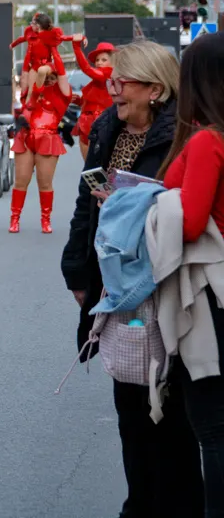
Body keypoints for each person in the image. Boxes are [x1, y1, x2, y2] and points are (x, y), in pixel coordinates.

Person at [60, 40, 198, 517]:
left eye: (122, 81)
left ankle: (175, 504)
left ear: (156, 89)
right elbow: (85, 203)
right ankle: (139, 502)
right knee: (131, 400)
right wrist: (77, 271)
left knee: (173, 408)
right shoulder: (106, 127)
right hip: (117, 288)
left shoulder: (186, 132)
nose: (111, 88)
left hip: (171, 285)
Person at [157, 33, 224, 516]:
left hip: (210, 297)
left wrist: (143, 203)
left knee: (213, 428)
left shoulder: (207, 141)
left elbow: (192, 219)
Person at [9, 63, 72, 234]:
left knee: (45, 183)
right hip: (26, 137)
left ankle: (46, 219)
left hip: (48, 138)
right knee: (21, 180)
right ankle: (14, 218)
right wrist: (41, 73)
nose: (48, 81)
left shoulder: (63, 96)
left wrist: (55, 49)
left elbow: (60, 74)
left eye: (53, 78)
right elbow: (35, 81)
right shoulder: (31, 94)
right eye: (46, 78)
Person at [70, 34, 115, 161]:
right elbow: (95, 101)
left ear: (112, 62)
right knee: (89, 169)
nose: (99, 62)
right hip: (85, 124)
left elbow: (86, 69)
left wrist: (76, 47)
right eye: (97, 60)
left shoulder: (108, 74)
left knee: (100, 167)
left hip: (102, 124)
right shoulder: (97, 81)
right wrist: (79, 101)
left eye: (103, 59)